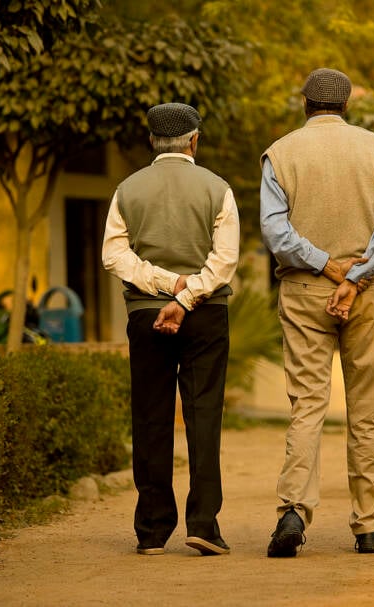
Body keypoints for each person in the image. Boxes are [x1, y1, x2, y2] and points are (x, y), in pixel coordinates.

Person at [259, 68, 374, 557]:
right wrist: (355, 276)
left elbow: (275, 232)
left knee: (307, 404)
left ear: (306, 104)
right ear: (346, 105)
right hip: (368, 292)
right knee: (369, 406)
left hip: (304, 288)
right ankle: (369, 526)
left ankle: (293, 511)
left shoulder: (280, 153)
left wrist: (325, 265)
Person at [101, 102, 240, 557]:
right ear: (194, 140)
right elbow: (224, 262)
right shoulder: (218, 189)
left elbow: (114, 256)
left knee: (150, 416)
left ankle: (152, 530)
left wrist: (165, 286)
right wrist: (186, 296)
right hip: (206, 315)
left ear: (151, 141)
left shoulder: (127, 189)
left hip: (146, 313)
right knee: (204, 416)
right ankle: (204, 525)